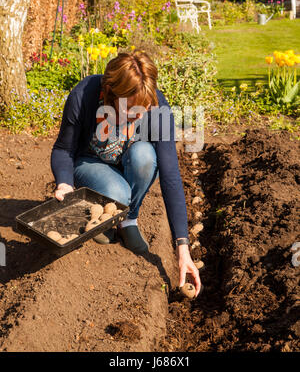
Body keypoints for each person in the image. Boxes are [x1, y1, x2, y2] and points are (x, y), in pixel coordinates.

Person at [51, 51, 201, 296]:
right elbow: (63, 149)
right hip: (90, 162)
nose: (140, 117)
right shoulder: (85, 95)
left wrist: (182, 247)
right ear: (111, 92)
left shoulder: (157, 108)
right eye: (132, 111)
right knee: (117, 191)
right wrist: (65, 183)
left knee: (145, 157)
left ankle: (128, 218)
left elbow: (171, 174)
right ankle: (103, 216)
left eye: (144, 109)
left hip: (130, 163)